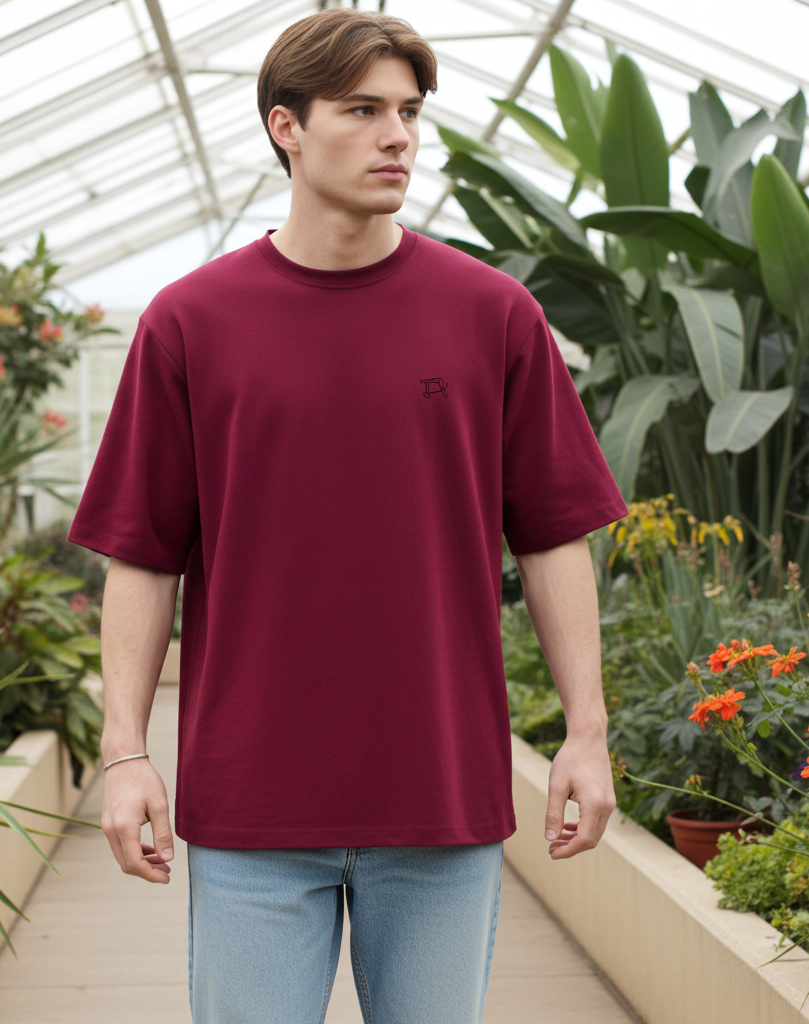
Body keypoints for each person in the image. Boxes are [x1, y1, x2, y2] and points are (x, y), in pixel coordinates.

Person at [68, 9, 628, 1024]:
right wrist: (125, 753)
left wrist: (586, 734)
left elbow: (554, 535)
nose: (397, 136)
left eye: (408, 112)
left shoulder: (494, 314)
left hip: (440, 797)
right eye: (363, 110)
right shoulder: (190, 322)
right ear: (286, 126)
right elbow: (143, 556)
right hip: (253, 804)